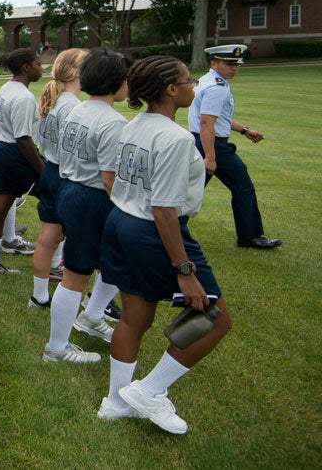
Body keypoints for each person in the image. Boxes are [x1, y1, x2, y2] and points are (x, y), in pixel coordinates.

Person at [98, 55, 233, 434]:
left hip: (120, 222)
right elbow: (164, 210)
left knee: (134, 316)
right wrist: (185, 271)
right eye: (189, 81)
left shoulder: (133, 124)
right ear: (171, 90)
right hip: (151, 230)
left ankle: (115, 401)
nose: (194, 86)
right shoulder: (174, 137)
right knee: (214, 317)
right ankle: (147, 390)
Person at [42, 48, 130, 363]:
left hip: (71, 190)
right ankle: (57, 349)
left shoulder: (76, 109)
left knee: (116, 259)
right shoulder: (113, 121)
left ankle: (91, 317)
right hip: (90, 197)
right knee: (76, 274)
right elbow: (109, 179)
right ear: (116, 83)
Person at [188, 44, 280, 249]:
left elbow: (217, 118)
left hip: (203, 142)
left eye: (237, 64)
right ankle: (249, 236)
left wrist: (244, 130)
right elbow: (207, 124)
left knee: (188, 191)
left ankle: (162, 228)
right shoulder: (216, 88)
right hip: (213, 145)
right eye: (229, 64)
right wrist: (211, 157)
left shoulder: (208, 80)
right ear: (214, 63)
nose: (234, 68)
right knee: (243, 187)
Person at [0, 48, 44, 275]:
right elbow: (24, 139)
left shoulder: (7, 88)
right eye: (38, 63)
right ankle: (55, 262)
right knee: (53, 197)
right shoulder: (24, 97)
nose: (41, 67)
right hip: (13, 152)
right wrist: (42, 171)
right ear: (26, 67)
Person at [31, 48, 87, 302]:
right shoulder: (73, 107)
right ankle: (85, 301)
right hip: (67, 176)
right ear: (78, 72)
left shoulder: (54, 100)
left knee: (48, 238)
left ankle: (39, 296)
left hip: (51, 171)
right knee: (79, 242)